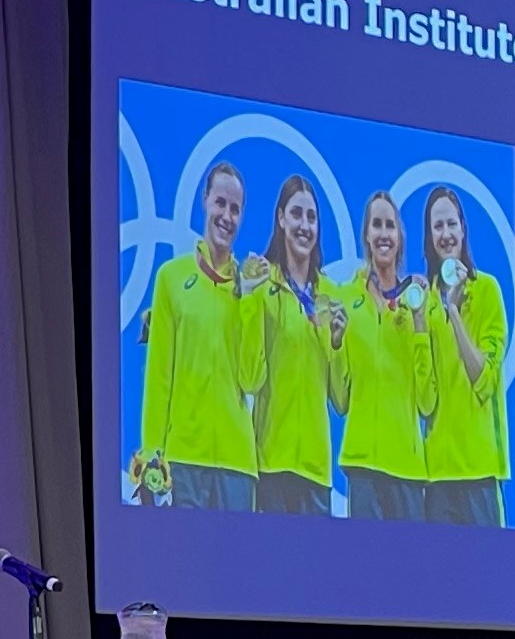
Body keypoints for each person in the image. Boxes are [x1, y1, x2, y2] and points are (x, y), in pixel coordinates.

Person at [129, 160, 267, 511]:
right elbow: (159, 378)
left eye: (235, 209)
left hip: (238, 467)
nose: (227, 216)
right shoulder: (171, 279)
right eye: (220, 203)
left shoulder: (252, 287)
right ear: (205, 201)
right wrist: (152, 457)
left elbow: (252, 380)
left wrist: (249, 299)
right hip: (184, 464)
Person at [327, 188, 434, 521]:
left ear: (400, 237)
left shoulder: (418, 300)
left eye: (390, 226)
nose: (384, 233)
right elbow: (341, 401)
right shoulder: (347, 300)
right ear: (367, 236)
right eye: (377, 225)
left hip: (407, 470)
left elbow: (427, 401)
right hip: (362, 468)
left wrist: (418, 324)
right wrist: (336, 344)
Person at [410, 186, 509, 524]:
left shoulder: (487, 290)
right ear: (429, 236)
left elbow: (483, 380)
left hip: (481, 472)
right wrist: (421, 322)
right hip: (438, 478)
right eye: (438, 227)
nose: (446, 234)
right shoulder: (425, 303)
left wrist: (453, 310)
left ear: (463, 229)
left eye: (451, 224)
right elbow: (425, 401)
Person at [250, 174, 338, 517]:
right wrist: (249, 301)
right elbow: (250, 375)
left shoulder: (331, 295)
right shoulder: (263, 283)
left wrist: (336, 341)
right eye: (297, 214)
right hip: (272, 465)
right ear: (281, 217)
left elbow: (340, 398)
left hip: (317, 472)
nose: (305, 226)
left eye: (312, 218)